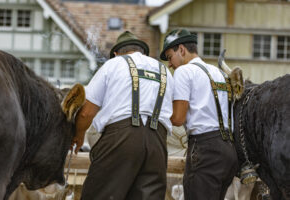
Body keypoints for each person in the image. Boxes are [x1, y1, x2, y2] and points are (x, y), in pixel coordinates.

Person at [72, 31, 174, 200]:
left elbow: (86, 112)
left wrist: (78, 135)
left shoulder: (113, 65)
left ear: (116, 53)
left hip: (121, 139)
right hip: (157, 143)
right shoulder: (163, 70)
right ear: (143, 52)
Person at [160, 29, 238, 200]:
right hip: (229, 149)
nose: (170, 64)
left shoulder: (184, 72)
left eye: (170, 56)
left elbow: (178, 119)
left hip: (205, 149)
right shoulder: (217, 72)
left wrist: (160, 113)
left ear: (181, 50)